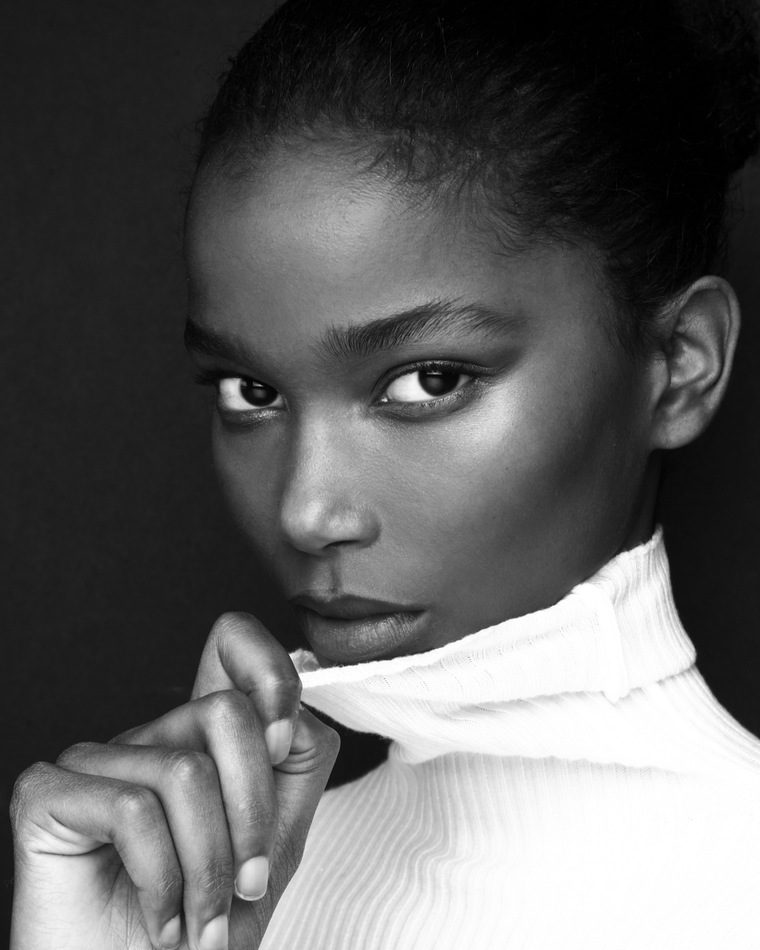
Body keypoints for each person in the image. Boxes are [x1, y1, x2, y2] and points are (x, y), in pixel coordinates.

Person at [9, 0, 760, 947]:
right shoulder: (218, 903)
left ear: (681, 363)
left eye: (428, 380)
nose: (306, 509)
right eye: (251, 391)